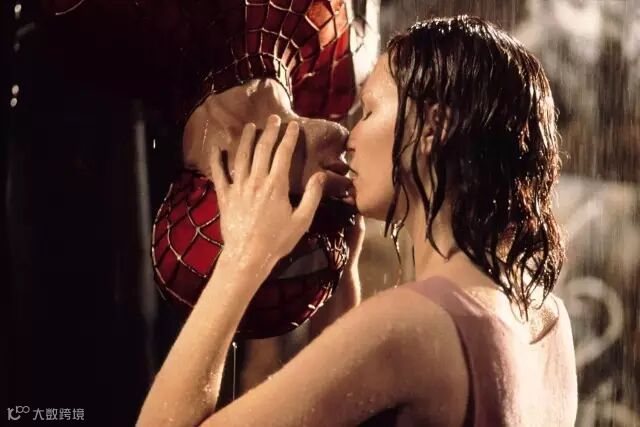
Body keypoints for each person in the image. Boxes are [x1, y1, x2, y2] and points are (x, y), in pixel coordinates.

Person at [138, 15, 578, 426]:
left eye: (368, 111)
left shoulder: (408, 327)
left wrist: (243, 257)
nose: (349, 137)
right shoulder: (550, 323)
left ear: (432, 128)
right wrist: (343, 279)